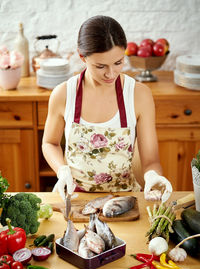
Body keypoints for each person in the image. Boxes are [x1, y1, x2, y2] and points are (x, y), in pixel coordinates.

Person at [42, 15, 172, 203]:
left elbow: (151, 160)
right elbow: (50, 143)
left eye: (118, 63)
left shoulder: (139, 95)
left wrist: (153, 177)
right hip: (76, 198)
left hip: (125, 200)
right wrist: (61, 170)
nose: (111, 74)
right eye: (100, 66)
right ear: (82, 57)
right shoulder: (63, 94)